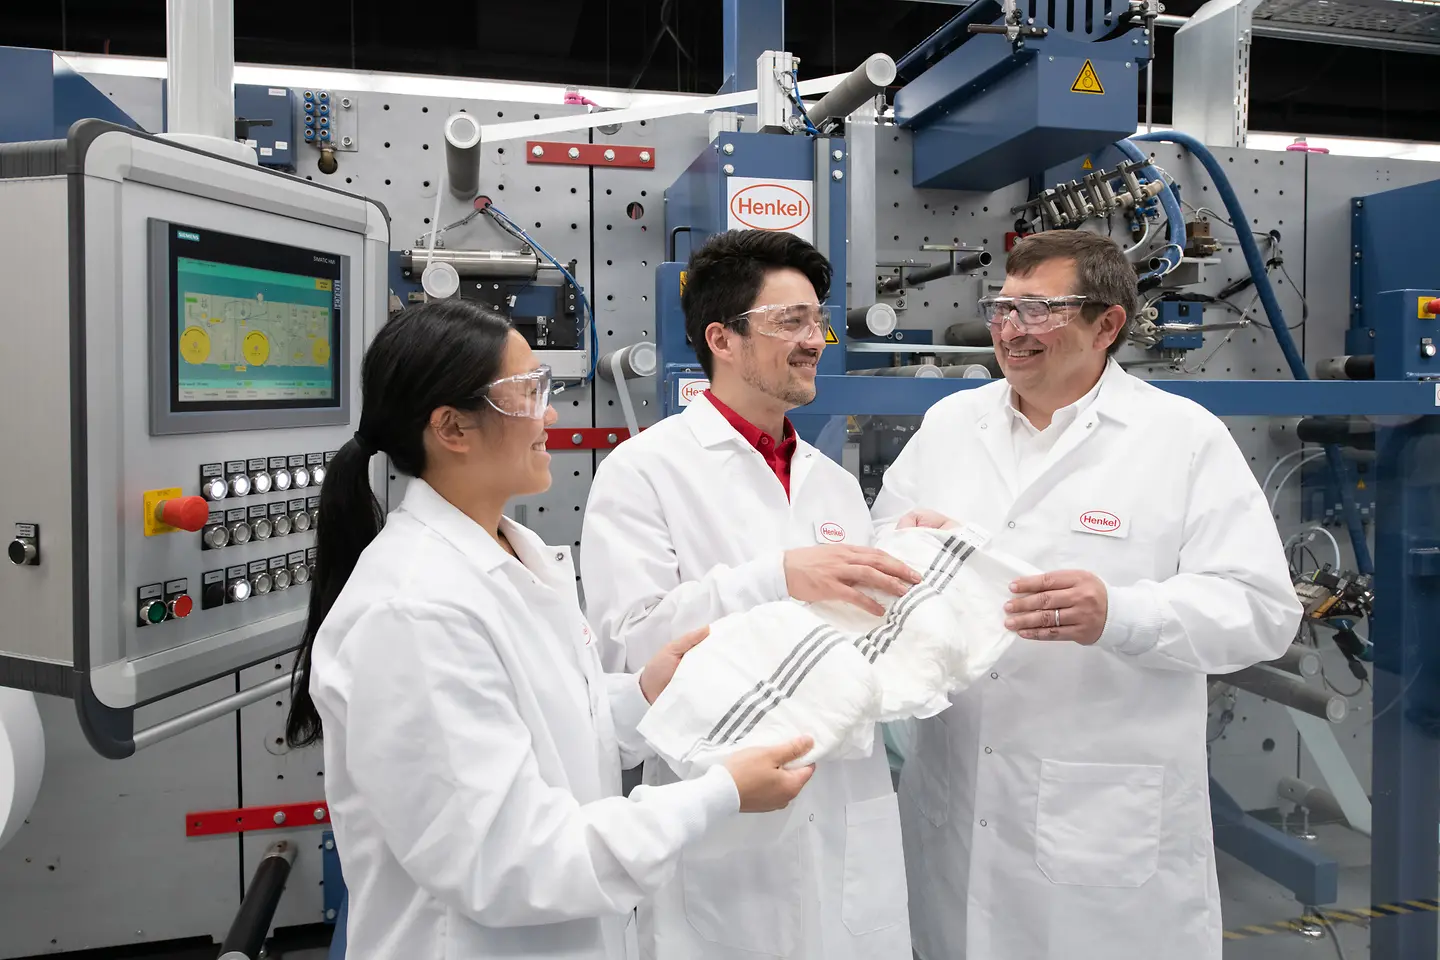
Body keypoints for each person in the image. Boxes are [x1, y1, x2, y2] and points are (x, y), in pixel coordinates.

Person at [285, 300, 818, 960]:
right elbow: (509, 861)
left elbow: (543, 725)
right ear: (452, 428)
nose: (553, 415)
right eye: (528, 392)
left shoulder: (516, 551)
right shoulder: (412, 611)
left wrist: (643, 694)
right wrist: (720, 794)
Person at [871, 229, 1304, 960]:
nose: (1010, 329)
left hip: (1103, 821)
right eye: (1002, 307)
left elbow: (1262, 612)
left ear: (1107, 325)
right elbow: (883, 545)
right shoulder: (951, 424)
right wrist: (917, 551)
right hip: (957, 797)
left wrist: (1121, 614)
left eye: (1039, 310)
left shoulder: (1180, 438)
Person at [582, 229, 918, 960]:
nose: (815, 340)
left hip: (844, 796)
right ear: (722, 340)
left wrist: (919, 564)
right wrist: (774, 578)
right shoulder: (643, 472)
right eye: (790, 321)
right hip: (721, 809)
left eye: (817, 320)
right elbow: (631, 652)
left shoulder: (832, 482)